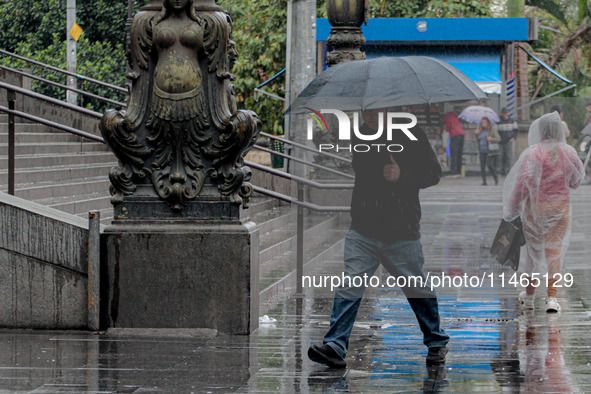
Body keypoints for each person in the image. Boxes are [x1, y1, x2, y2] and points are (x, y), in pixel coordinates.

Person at [308, 108, 449, 369]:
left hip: (401, 229)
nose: (367, 115)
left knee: (417, 287)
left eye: (374, 111)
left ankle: (436, 341)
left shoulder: (411, 133)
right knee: (350, 284)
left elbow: (433, 173)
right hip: (364, 227)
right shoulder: (360, 135)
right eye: (365, 111)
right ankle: (336, 345)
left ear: (388, 110)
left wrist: (402, 174)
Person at [503, 112, 584, 312]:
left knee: (533, 252)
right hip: (560, 208)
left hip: (536, 208)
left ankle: (530, 295)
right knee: (554, 252)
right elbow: (576, 181)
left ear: (539, 131)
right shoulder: (569, 152)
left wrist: (513, 208)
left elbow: (522, 183)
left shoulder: (532, 153)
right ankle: (552, 299)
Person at [475, 117, 501, 186]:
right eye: (482, 122)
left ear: (488, 123)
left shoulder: (492, 130)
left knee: (490, 165)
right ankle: (484, 181)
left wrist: (491, 139)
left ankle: (495, 178)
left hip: (489, 150)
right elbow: (477, 140)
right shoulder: (480, 130)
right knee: (482, 166)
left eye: (485, 122)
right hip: (481, 150)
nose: (483, 124)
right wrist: (476, 134)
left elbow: (498, 138)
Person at [497, 108, 519, 175]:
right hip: (500, 141)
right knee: (500, 156)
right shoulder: (498, 121)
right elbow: (495, 131)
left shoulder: (512, 121)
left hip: (509, 141)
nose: (505, 114)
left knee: (508, 156)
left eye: (506, 113)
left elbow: (516, 131)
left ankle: (508, 170)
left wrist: (514, 138)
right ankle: (501, 170)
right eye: (503, 113)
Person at [443, 111, 466, 177]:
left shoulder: (448, 117)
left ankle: (454, 171)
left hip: (455, 135)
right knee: (459, 153)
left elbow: (448, 127)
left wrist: (446, 128)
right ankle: (459, 171)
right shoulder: (456, 117)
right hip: (462, 134)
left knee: (454, 153)